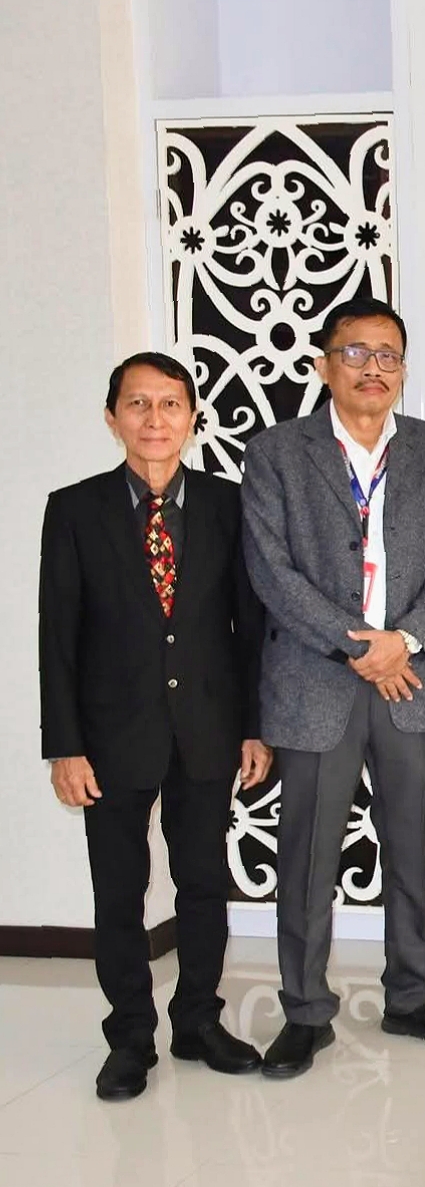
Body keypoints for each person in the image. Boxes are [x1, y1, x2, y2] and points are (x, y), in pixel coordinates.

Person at [241, 296, 425, 1078]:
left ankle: (413, 994)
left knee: (411, 845)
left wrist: (404, 641)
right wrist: (361, 647)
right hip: (316, 682)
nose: (373, 368)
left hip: (415, 679)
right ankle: (306, 1011)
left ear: (404, 370)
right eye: (356, 352)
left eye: (389, 355)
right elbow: (271, 570)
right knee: (307, 855)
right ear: (323, 364)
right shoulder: (277, 452)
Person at [38, 352, 270, 1100]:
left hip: (207, 726)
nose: (154, 419)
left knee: (203, 881)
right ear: (113, 419)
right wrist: (64, 745)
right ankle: (130, 1037)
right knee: (119, 891)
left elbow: (249, 625)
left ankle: (198, 1020)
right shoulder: (74, 510)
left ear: (193, 418)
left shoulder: (228, 504)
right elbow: (57, 638)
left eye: (170, 404)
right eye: (137, 404)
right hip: (110, 738)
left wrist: (253, 727)